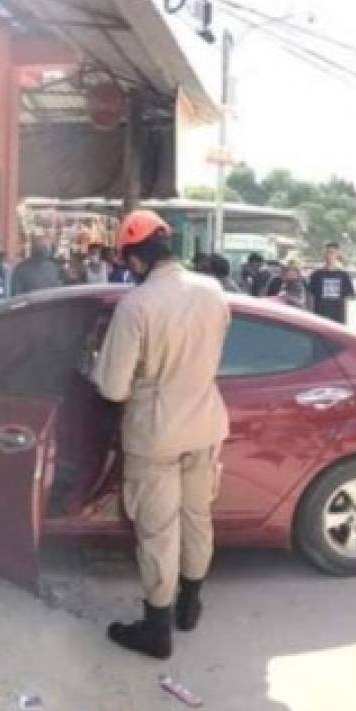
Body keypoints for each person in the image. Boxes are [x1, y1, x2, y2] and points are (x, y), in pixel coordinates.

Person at [93, 209, 230, 660]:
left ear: (133, 260)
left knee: (158, 533)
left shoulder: (137, 305)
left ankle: (157, 630)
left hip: (156, 434)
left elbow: (112, 387)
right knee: (197, 519)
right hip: (206, 424)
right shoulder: (213, 291)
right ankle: (190, 608)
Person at [308, 242, 356, 324]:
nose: (328, 255)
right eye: (326, 252)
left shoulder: (344, 275)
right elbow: (310, 296)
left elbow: (348, 296)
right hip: (319, 317)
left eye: (331, 252)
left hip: (337, 318)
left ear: (337, 254)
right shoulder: (316, 275)